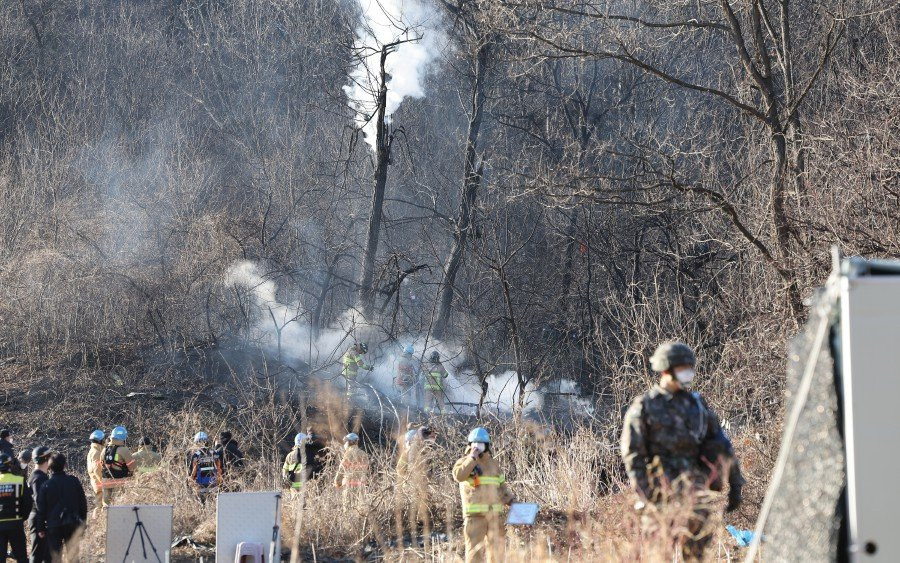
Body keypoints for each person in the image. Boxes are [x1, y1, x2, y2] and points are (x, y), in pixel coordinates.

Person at [620, 341, 745, 561]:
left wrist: (735, 482)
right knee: (660, 553)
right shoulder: (645, 407)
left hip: (694, 492)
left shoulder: (696, 405)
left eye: (690, 366)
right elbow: (633, 456)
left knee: (695, 554)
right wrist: (646, 493)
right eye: (683, 367)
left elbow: (720, 443)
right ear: (667, 370)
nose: (689, 372)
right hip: (659, 493)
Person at [452, 427, 514, 563]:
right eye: (474, 443)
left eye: (480, 444)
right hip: (475, 518)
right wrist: (471, 458)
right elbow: (459, 476)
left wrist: (512, 502)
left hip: (495, 517)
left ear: (487, 446)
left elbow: (502, 487)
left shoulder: (493, 464)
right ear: (469, 445)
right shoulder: (463, 462)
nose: (477, 446)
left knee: (497, 554)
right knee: (475, 554)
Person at [33, 454, 87, 562]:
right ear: (65, 465)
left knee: (55, 556)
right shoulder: (73, 481)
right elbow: (83, 504)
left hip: (53, 525)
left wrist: (40, 528)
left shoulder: (46, 485)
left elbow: (41, 509)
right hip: (73, 522)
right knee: (73, 555)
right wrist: (83, 522)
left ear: (49, 467)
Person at [0, 452, 32, 563]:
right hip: (16, 523)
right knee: (21, 557)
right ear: (10, 465)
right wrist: (22, 517)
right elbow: (28, 502)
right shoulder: (19, 480)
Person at [27, 447, 51, 563]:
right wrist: (41, 525)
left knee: (47, 555)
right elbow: (39, 503)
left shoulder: (39, 476)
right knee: (37, 555)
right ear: (46, 459)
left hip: (39, 518)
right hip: (38, 519)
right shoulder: (38, 478)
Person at [100, 426, 135, 505]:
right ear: (123, 438)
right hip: (119, 481)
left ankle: (105, 517)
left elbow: (101, 463)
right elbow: (131, 466)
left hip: (106, 480)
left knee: (106, 504)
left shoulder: (105, 449)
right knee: (118, 504)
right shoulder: (124, 450)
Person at [188, 432, 223, 501]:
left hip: (200, 486)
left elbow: (193, 471)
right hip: (214, 485)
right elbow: (219, 469)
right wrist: (220, 482)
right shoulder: (214, 453)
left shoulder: (196, 455)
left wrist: (191, 481)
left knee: (202, 506)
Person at [85, 430, 105, 515]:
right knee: (100, 506)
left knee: (100, 505)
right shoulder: (96, 453)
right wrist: (105, 483)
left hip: (97, 483)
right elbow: (97, 470)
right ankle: (98, 524)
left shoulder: (94, 451)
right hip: (100, 484)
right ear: (100, 440)